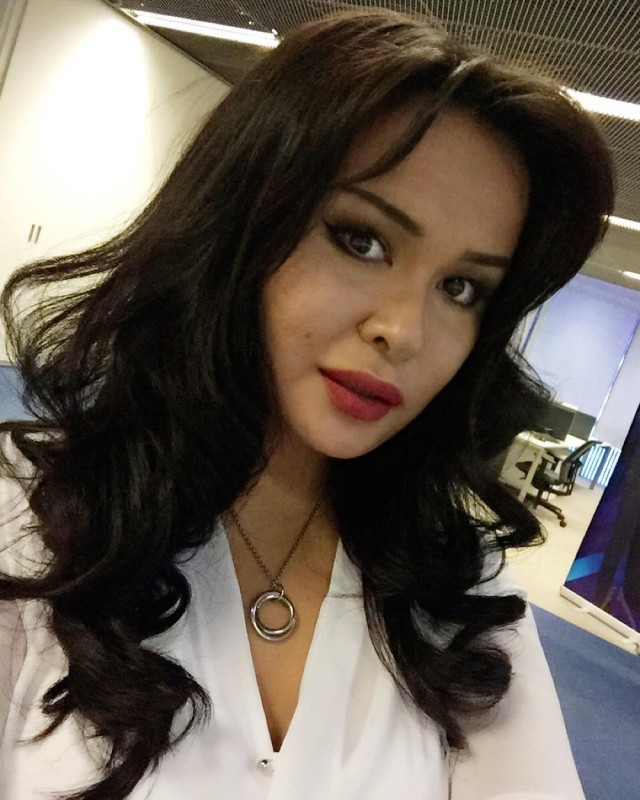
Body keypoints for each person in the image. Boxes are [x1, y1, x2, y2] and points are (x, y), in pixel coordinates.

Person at [0, 9, 614, 800]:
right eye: (362, 240)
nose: (404, 330)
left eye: (461, 288)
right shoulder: (30, 524)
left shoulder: (456, 591)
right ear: (237, 225)